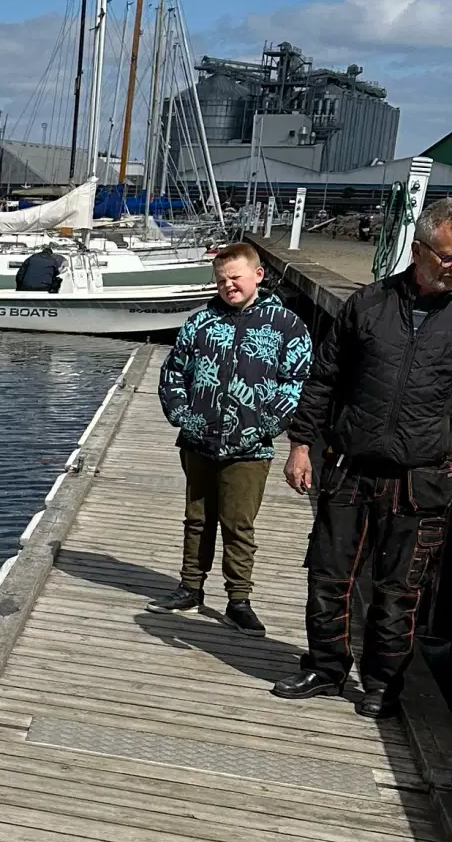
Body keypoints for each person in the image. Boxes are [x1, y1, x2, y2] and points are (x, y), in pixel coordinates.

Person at [273, 199, 452, 716]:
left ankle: (382, 686)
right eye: (445, 256)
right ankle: (326, 668)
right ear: (418, 251)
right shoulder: (368, 304)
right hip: (351, 466)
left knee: (400, 589)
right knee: (329, 573)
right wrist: (301, 445)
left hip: (422, 477)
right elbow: (323, 379)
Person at [155, 238, 312, 632]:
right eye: (222, 280)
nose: (228, 286)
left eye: (236, 278)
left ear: (257, 275)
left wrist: (264, 427)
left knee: (237, 522)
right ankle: (190, 587)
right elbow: (174, 372)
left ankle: (238, 600)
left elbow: (295, 384)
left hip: (250, 447)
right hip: (198, 440)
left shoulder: (287, 325)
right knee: (197, 518)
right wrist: (181, 414)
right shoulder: (199, 322)